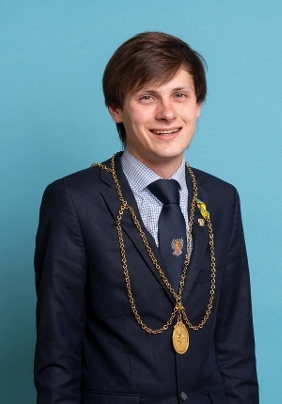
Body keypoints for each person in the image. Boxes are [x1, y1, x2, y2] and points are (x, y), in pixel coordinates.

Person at [34, 32, 259, 404]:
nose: (167, 113)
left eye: (180, 95)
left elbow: (236, 347)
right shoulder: (74, 201)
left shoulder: (221, 199)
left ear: (198, 104)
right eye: (147, 97)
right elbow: (57, 358)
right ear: (116, 109)